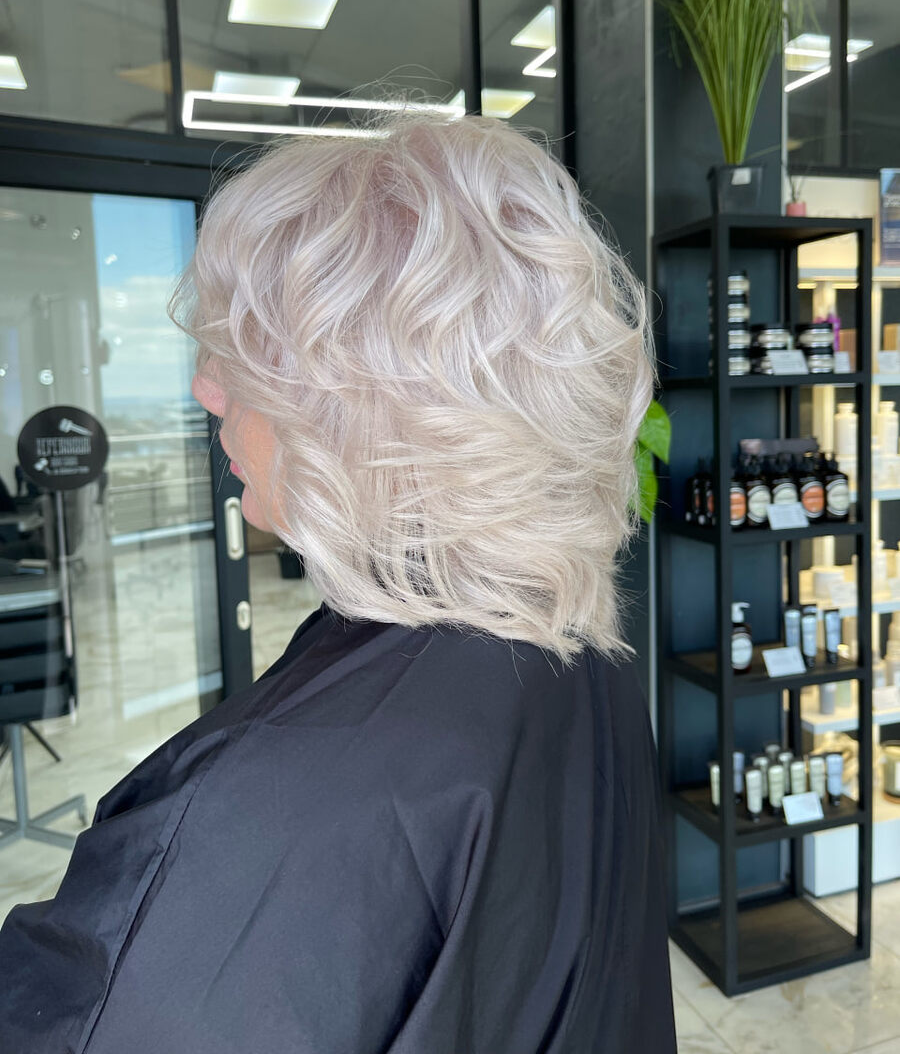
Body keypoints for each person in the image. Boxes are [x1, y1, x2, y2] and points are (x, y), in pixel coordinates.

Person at [0, 110, 676, 1053]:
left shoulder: (261, 821)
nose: (206, 388)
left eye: (243, 350)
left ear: (366, 404)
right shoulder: (578, 647)